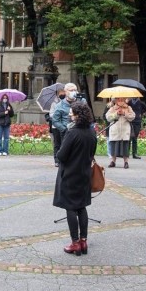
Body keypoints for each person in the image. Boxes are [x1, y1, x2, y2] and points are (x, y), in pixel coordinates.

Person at [53, 101, 97, 256]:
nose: (69, 114)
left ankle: (75, 243)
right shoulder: (91, 132)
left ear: (78, 115)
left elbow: (62, 155)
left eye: (72, 112)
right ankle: (83, 241)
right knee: (81, 207)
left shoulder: (72, 133)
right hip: (84, 174)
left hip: (70, 175)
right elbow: (92, 153)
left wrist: (58, 152)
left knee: (70, 208)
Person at [51, 84, 77, 165]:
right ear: (65, 92)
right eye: (71, 90)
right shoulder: (60, 105)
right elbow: (55, 120)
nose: (73, 92)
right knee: (65, 151)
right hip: (66, 132)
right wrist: (64, 129)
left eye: (75, 90)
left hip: (79, 132)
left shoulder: (81, 101)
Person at [105, 98, 135, 168]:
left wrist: (124, 113)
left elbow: (132, 116)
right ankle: (113, 161)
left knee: (125, 147)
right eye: (119, 100)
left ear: (125, 100)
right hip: (115, 130)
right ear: (116, 101)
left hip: (125, 131)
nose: (120, 101)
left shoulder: (128, 108)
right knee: (113, 146)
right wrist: (116, 113)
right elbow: (108, 118)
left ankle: (126, 162)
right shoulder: (112, 108)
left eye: (122, 99)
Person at [48, 85, 66, 166]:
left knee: (64, 143)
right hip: (56, 126)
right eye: (62, 92)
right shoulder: (54, 103)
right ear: (58, 93)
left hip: (64, 126)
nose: (63, 93)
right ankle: (56, 160)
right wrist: (57, 114)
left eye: (64, 92)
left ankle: (63, 159)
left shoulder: (66, 102)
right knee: (57, 143)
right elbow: (51, 114)